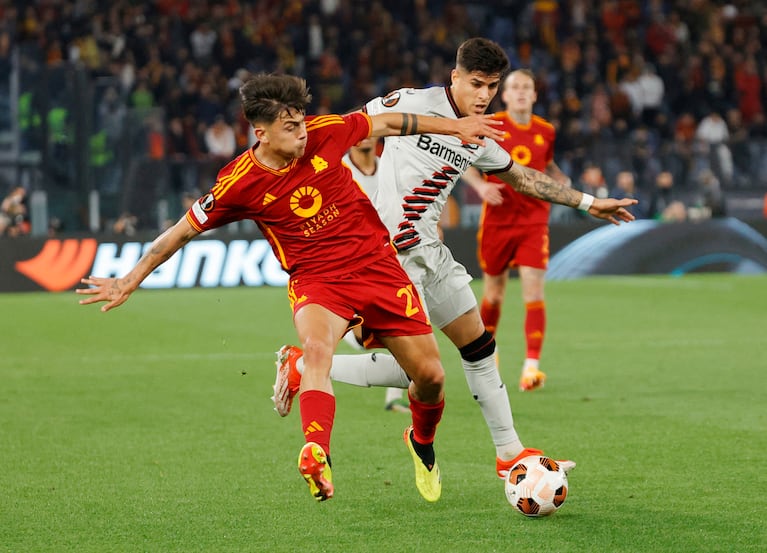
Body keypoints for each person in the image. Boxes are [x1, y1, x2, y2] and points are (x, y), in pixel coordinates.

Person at [77, 73, 508, 503]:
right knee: (319, 352)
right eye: (290, 128)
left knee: (431, 378)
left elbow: (390, 123)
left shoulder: (323, 132)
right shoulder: (239, 182)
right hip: (318, 281)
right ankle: (317, 450)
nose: (302, 134)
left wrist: (456, 126)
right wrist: (128, 280)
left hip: (379, 268)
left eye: (302, 123)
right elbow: (179, 233)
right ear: (260, 133)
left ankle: (420, 440)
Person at [272, 38, 637, 482]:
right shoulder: (410, 103)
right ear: (456, 77)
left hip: (430, 252)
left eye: (493, 86)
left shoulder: (480, 132)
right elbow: (352, 127)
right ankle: (303, 365)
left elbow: (521, 177)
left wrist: (587, 202)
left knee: (480, 346)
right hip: (386, 258)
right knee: (419, 370)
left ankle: (509, 453)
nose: (485, 95)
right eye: (477, 84)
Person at [461, 68, 572, 392]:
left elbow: (546, 165)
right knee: (494, 293)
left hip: (534, 221)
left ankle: (531, 367)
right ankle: (487, 356)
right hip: (497, 220)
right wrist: (480, 189)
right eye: (515, 87)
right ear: (505, 95)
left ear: (535, 95)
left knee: (533, 291)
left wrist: (562, 182)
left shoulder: (546, 131)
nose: (522, 92)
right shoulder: (492, 125)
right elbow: (463, 160)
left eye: (528, 87)